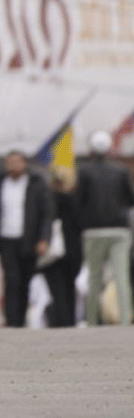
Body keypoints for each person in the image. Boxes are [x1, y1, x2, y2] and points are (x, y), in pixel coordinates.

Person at [0, 151, 53, 328]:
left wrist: (44, 238)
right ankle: (11, 321)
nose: (13, 166)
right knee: (11, 280)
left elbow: (46, 214)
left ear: (24, 163)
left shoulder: (36, 184)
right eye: (10, 162)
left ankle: (21, 320)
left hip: (28, 240)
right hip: (6, 239)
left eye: (17, 162)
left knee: (25, 281)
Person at [75, 130, 134, 326]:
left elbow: (79, 201)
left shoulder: (84, 171)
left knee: (94, 277)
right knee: (121, 277)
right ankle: (125, 320)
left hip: (94, 231)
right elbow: (129, 199)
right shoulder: (121, 170)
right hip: (119, 231)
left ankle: (92, 321)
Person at [42, 165, 82, 327]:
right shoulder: (76, 200)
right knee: (69, 289)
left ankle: (61, 321)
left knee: (57, 290)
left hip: (54, 252)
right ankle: (69, 321)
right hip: (71, 252)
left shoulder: (48, 199)